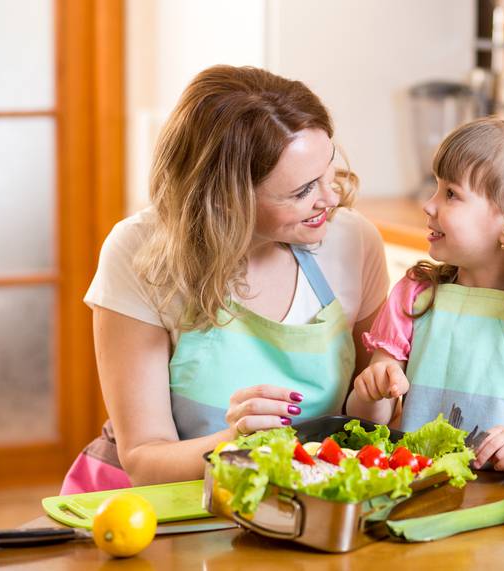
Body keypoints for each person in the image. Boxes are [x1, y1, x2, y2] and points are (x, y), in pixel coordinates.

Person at [61, 65, 390, 493]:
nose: (330, 198)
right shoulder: (141, 253)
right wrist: (234, 444)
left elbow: (369, 415)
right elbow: (143, 456)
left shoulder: (353, 241)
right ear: (226, 198)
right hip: (162, 503)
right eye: (303, 190)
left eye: (329, 172)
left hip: (305, 502)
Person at [346, 118, 504, 478]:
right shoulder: (416, 295)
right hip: (417, 497)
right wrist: (371, 392)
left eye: (451, 194)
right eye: (436, 188)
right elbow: (370, 421)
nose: (429, 205)